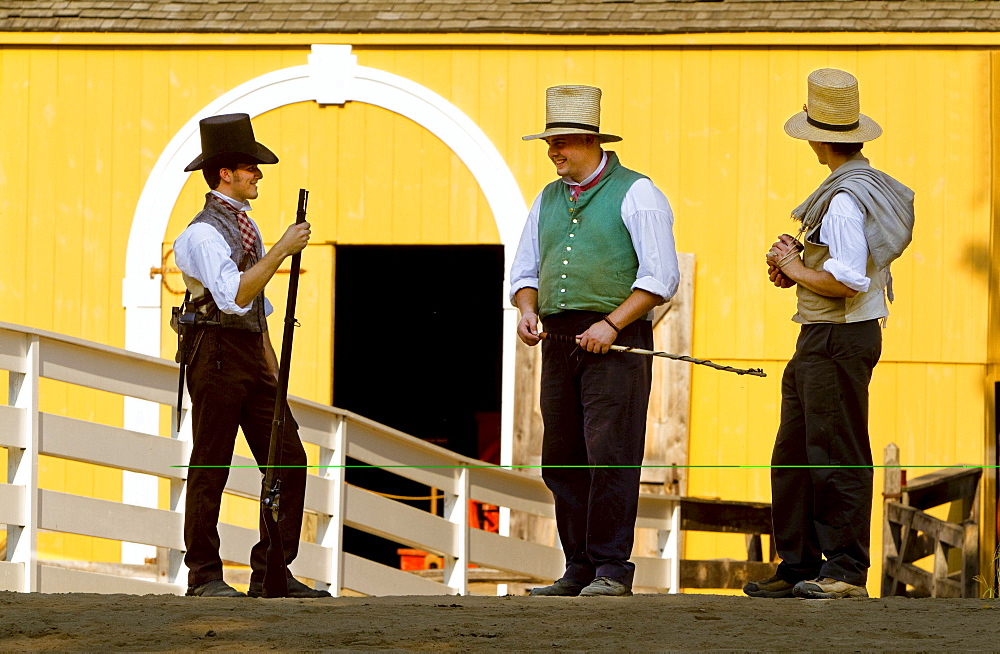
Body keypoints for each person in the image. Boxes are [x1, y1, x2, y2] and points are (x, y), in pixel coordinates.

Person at [744, 69, 914, 600]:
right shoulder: (860, 185)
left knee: (835, 449)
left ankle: (843, 570)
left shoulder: (843, 198)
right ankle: (798, 564)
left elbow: (846, 280)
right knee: (794, 449)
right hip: (824, 336)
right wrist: (796, 262)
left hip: (837, 336)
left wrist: (792, 267)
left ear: (820, 138)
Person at [510, 85, 680, 597]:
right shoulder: (547, 198)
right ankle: (578, 567)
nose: (552, 152)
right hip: (560, 339)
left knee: (610, 453)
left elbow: (661, 277)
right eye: (549, 143)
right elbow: (524, 268)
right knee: (561, 455)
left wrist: (611, 324)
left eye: (560, 142)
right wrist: (525, 309)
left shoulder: (638, 192)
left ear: (589, 141)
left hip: (617, 337)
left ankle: (611, 569)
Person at [173, 113, 329, 598]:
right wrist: (282, 248)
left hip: (249, 353)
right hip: (214, 354)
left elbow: (257, 309)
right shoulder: (202, 234)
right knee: (211, 464)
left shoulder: (244, 226)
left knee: (288, 458)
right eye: (249, 167)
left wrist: (272, 371)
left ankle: (273, 572)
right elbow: (234, 296)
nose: (258, 174)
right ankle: (204, 575)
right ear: (225, 173)